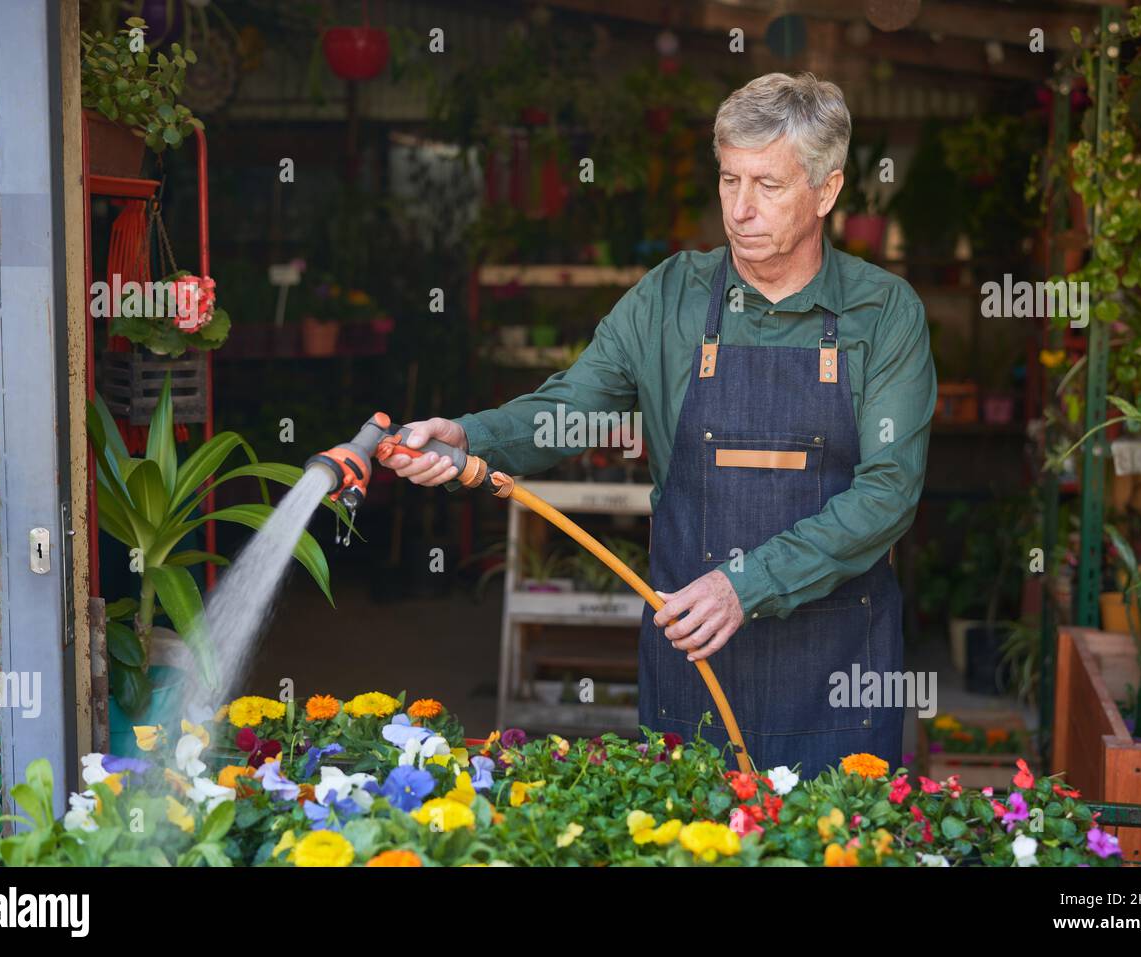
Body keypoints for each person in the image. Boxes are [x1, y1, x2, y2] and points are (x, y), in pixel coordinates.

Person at [383, 72, 936, 777]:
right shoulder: (670, 297)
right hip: (693, 662)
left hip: (835, 673)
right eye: (729, 179)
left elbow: (887, 491)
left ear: (826, 191)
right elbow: (572, 407)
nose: (740, 208)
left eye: (768, 185)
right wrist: (473, 437)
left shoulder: (884, 313)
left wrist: (745, 583)